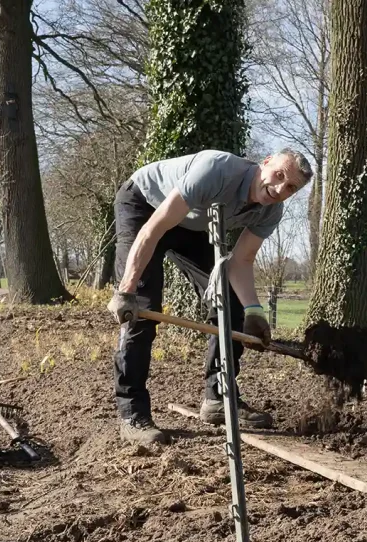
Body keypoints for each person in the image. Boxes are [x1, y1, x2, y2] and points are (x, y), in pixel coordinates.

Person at [106, 148, 313, 445]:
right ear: (265, 162)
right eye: (279, 175)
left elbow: (241, 261)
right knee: (141, 310)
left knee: (230, 303)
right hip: (146, 207)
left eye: (291, 187)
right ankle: (132, 414)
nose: (281, 189)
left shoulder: (271, 210)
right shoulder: (216, 171)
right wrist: (126, 290)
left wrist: (253, 310)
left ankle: (218, 398)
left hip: (191, 223)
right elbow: (154, 229)